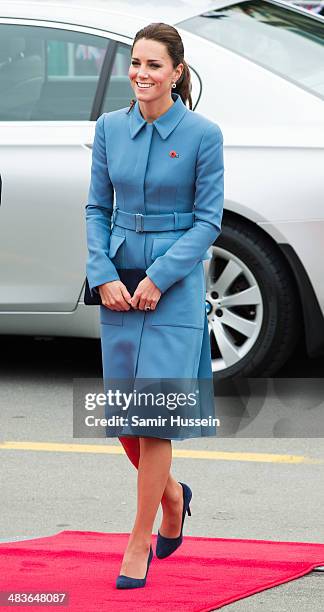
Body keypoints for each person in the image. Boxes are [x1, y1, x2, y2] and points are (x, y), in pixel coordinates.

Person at [85, 22, 224, 589]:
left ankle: (138, 540)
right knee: (124, 419)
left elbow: (209, 220)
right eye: (135, 63)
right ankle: (171, 495)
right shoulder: (109, 129)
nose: (141, 74)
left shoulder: (202, 134)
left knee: (154, 417)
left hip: (175, 285)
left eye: (154, 65)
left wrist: (162, 277)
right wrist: (101, 273)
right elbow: (96, 207)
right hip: (118, 279)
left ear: (177, 72)